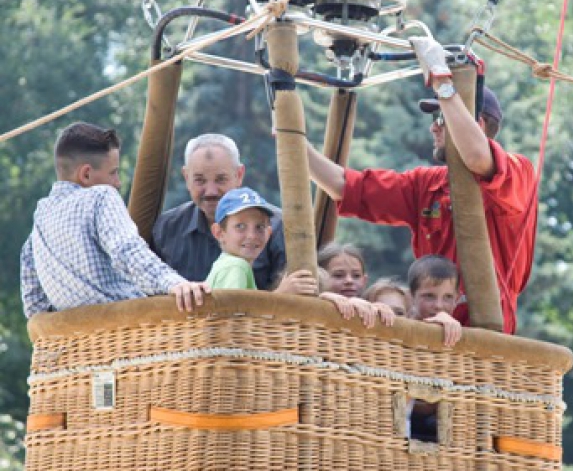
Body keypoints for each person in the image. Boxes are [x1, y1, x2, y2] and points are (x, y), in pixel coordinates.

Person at [306, 36, 537, 334]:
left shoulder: (518, 173)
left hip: (484, 345)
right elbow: (349, 186)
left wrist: (443, 83)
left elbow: (479, 157)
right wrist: (290, 139)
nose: (433, 126)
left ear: (476, 124)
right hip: (431, 337)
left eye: (440, 117)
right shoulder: (427, 185)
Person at [20, 123, 208, 318]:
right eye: (113, 172)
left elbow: (35, 306)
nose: (117, 182)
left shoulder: (39, 222)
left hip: (77, 343)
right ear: (86, 174)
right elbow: (127, 251)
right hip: (129, 334)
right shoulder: (100, 196)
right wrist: (174, 283)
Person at [208, 189, 394, 329]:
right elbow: (234, 318)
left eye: (259, 227)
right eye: (240, 226)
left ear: (269, 233)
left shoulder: (235, 265)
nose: (251, 235)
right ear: (219, 232)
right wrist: (282, 295)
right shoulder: (235, 266)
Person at [152, 134, 286, 290]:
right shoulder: (167, 228)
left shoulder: (278, 226)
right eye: (200, 180)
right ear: (186, 177)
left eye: (221, 179)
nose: (211, 191)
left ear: (239, 175)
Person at [407, 256, 463, 348]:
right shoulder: (399, 322)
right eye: (429, 296)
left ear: (457, 299)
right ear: (411, 296)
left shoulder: (460, 335)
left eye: (448, 297)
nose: (438, 305)